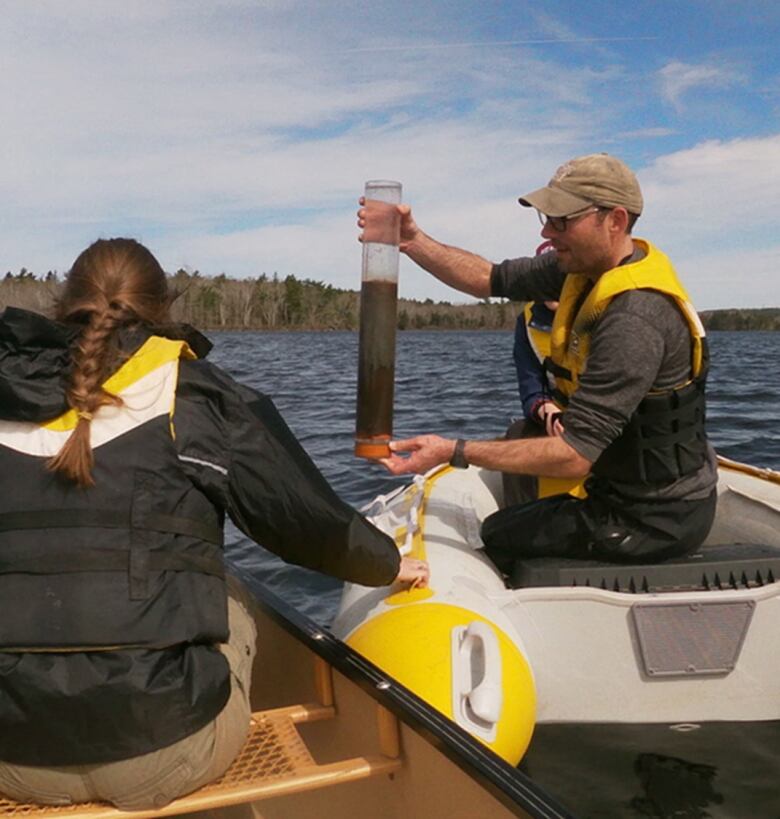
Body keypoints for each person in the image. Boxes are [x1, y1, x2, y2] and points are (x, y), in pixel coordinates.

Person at [0, 238, 428, 811]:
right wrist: (390, 564)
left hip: (14, 760)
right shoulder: (198, 393)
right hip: (164, 755)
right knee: (229, 591)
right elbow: (306, 524)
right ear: (164, 307)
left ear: (61, 306)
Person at [358, 153, 717, 574]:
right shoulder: (579, 269)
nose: (548, 231)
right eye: (547, 218)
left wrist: (451, 451)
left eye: (562, 220)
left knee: (500, 534)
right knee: (518, 518)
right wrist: (412, 239)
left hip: (656, 519)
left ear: (615, 220)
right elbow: (487, 278)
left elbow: (574, 454)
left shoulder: (635, 317)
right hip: (618, 494)